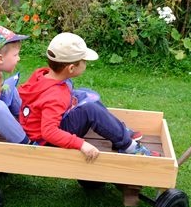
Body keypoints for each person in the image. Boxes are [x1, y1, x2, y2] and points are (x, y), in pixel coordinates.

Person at [18, 32, 153, 161]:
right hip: (47, 141)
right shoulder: (55, 96)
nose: (86, 64)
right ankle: (128, 146)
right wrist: (81, 144)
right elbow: (49, 132)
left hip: (44, 126)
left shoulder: (42, 74)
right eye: (84, 61)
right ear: (71, 68)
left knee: (85, 95)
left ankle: (119, 131)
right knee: (90, 110)